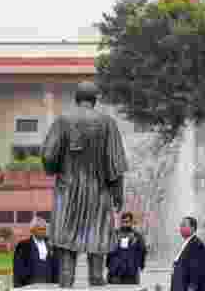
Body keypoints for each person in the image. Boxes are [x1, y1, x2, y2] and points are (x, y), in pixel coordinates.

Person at [42, 81, 129, 287]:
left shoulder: (62, 121)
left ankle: (66, 281)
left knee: (66, 242)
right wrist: (118, 193)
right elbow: (116, 164)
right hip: (98, 192)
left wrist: (54, 169)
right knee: (96, 240)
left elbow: (47, 155)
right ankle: (96, 280)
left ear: (76, 99)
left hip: (67, 190)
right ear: (95, 99)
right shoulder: (107, 123)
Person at [13, 217, 60, 287]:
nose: (43, 232)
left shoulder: (52, 245)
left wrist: (57, 284)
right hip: (29, 286)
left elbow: (56, 267)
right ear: (32, 230)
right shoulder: (23, 246)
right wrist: (18, 286)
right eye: (40, 229)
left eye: (44, 229)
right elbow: (18, 269)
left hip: (49, 285)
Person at [171, 216, 205, 291]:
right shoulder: (189, 243)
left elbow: (198, 270)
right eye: (180, 225)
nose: (180, 228)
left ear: (193, 228)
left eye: (183, 225)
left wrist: (192, 287)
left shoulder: (196, 245)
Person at [107, 212, 147, 285]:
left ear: (131, 222)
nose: (125, 224)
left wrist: (141, 265)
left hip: (131, 274)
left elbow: (143, 250)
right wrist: (109, 266)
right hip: (115, 273)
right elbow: (109, 252)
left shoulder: (137, 236)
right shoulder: (115, 235)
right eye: (123, 222)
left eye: (127, 222)